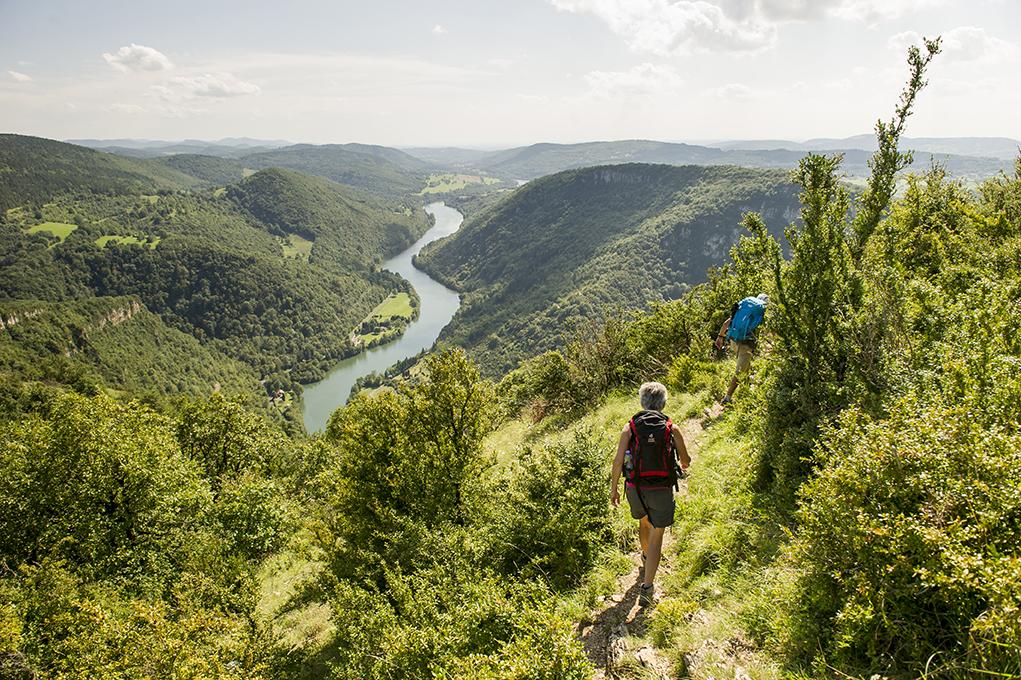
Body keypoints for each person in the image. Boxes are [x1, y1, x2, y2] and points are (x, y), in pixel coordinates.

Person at [610, 382, 690, 606]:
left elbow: (618, 461)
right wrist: (683, 462)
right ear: (663, 403)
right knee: (657, 534)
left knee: (644, 522)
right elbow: (685, 461)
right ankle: (647, 586)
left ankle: (645, 557)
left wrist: (614, 488)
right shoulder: (671, 428)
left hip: (635, 487)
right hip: (661, 488)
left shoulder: (630, 427)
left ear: (642, 402)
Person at [714, 293, 768, 405]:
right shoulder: (761, 313)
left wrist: (720, 337)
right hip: (745, 344)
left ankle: (747, 388)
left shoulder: (744, 309)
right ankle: (727, 397)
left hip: (733, 340)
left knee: (744, 365)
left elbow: (727, 322)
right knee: (739, 372)